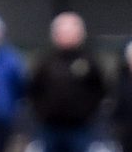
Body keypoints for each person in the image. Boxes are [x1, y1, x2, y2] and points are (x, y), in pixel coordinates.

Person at [27, 13, 106, 152]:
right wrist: (43, 112)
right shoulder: (45, 61)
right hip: (49, 128)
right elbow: (33, 89)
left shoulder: (89, 61)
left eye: (71, 32)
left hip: (80, 128)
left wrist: (86, 112)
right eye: (63, 32)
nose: (67, 36)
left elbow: (99, 90)